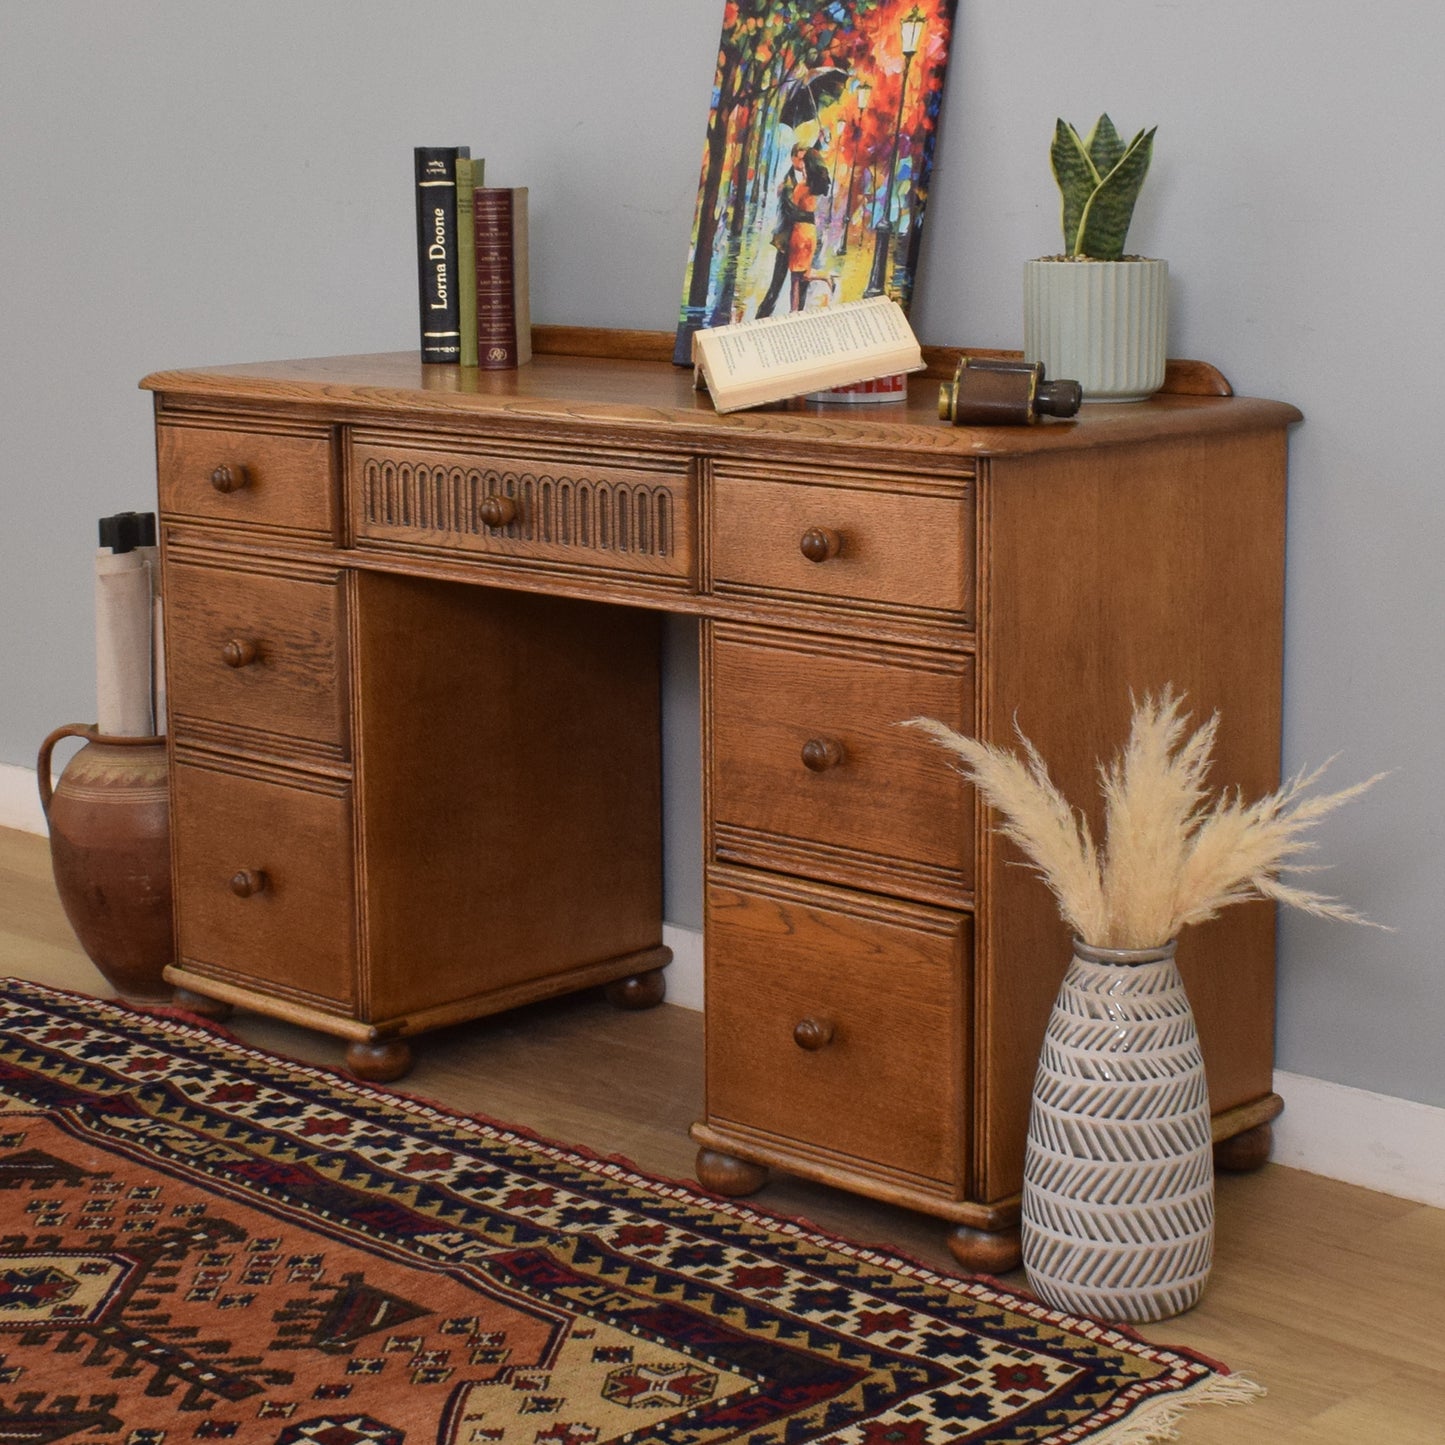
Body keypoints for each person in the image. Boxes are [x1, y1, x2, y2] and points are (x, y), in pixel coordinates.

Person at [756, 142, 832, 317]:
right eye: (799, 159)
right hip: (788, 238)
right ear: (792, 159)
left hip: (801, 236)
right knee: (778, 283)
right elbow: (789, 211)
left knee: (799, 281)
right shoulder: (789, 181)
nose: (802, 162)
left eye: (805, 159)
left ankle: (796, 314)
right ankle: (763, 316)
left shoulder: (808, 180)